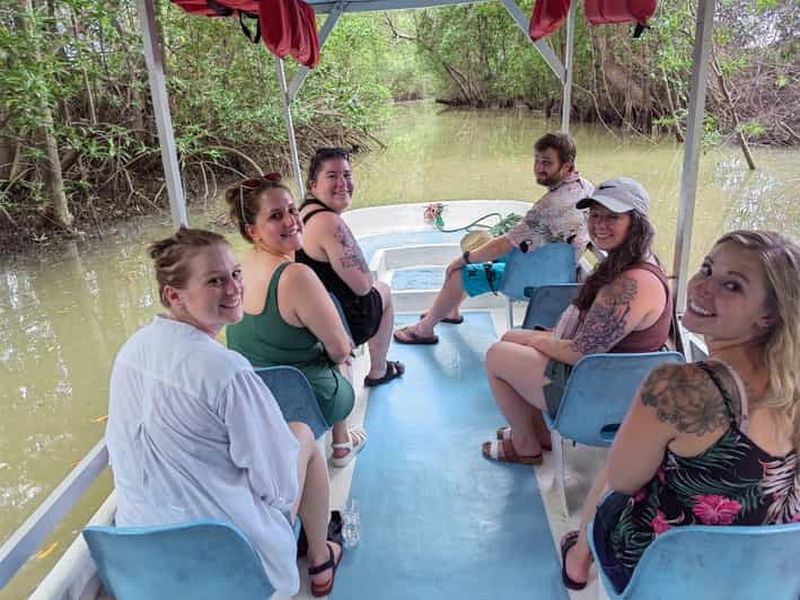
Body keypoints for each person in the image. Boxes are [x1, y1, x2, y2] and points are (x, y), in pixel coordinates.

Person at [106, 228, 342, 597]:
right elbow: (279, 488)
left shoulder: (132, 350)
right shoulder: (226, 371)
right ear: (174, 295)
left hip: (143, 553)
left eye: (235, 274)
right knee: (302, 434)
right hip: (230, 559)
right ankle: (320, 557)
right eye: (215, 281)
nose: (233, 289)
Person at [561, 230, 800, 593]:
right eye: (706, 269)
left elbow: (623, 482)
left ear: (767, 316)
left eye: (732, 286)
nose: (702, 288)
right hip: (769, 575)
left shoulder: (679, 388)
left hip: (671, 573)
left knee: (616, 468)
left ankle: (579, 559)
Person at [481, 177, 671, 464]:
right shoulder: (635, 260)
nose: (599, 224)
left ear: (636, 222)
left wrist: (540, 340)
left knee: (497, 356)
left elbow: (581, 352)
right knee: (511, 338)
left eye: (612, 217)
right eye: (594, 215)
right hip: (603, 374)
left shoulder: (631, 283)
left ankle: (525, 445)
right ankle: (540, 432)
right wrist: (545, 339)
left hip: (597, 389)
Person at [394, 132, 593, 345]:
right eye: (536, 160)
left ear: (567, 165)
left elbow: (505, 243)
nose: (538, 167)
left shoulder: (549, 205)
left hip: (535, 281)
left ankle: (425, 330)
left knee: (459, 272)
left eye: (546, 162)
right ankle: (449, 311)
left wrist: (465, 258)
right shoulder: (586, 187)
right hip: (564, 276)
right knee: (484, 255)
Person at [225, 174, 367, 468]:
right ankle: (341, 444)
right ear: (253, 231)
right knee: (341, 352)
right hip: (303, 399)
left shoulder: (239, 266)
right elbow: (340, 350)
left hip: (256, 396)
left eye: (292, 210)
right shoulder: (296, 275)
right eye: (276, 216)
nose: (291, 221)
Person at [295, 147, 404, 387]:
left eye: (346, 175)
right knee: (382, 290)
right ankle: (378, 370)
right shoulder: (329, 223)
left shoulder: (303, 213)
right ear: (313, 185)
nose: (342, 183)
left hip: (312, 315)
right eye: (332, 176)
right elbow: (364, 286)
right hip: (337, 322)